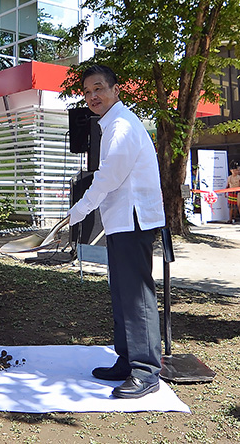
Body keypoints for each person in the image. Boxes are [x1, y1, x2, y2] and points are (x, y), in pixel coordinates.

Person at [68, 65, 165, 399]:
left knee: (137, 297)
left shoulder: (121, 125)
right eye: (88, 92)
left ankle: (146, 371)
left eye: (99, 89)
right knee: (123, 294)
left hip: (133, 221)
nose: (93, 97)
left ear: (116, 90)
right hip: (122, 221)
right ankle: (127, 361)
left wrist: (79, 210)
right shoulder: (110, 124)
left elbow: (109, 177)